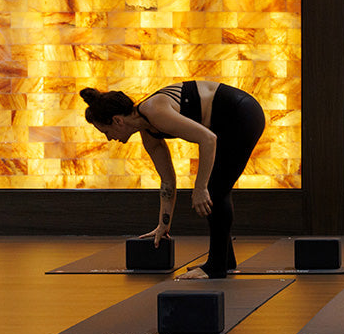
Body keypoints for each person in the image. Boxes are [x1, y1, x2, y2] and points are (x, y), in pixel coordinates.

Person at [80, 81, 265, 279]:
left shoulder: (153, 110)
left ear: (117, 121)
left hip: (242, 113)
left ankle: (217, 266)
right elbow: (167, 180)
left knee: (215, 190)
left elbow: (208, 139)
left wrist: (200, 187)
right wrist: (163, 225)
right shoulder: (149, 134)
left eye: (106, 132)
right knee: (216, 189)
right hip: (225, 123)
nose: (109, 139)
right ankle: (224, 260)